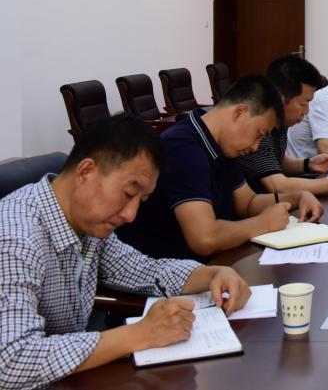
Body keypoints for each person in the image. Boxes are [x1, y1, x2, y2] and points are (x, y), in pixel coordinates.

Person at [0, 114, 251, 389]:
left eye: (141, 200)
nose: (131, 215)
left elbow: (142, 269)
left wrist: (212, 274)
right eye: (129, 194)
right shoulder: (15, 237)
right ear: (85, 171)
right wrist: (140, 334)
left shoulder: (87, 226)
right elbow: (11, 361)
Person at [117, 75, 324, 261]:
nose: (255, 147)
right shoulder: (182, 149)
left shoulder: (221, 144)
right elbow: (204, 238)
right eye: (259, 134)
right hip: (171, 274)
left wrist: (296, 198)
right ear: (239, 112)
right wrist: (264, 223)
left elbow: (248, 203)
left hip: (217, 262)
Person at [238, 56, 328, 196]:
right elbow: (278, 186)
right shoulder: (259, 127)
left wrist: (309, 164)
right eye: (304, 103)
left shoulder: (281, 122)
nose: (307, 111)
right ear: (280, 97)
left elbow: (278, 162)